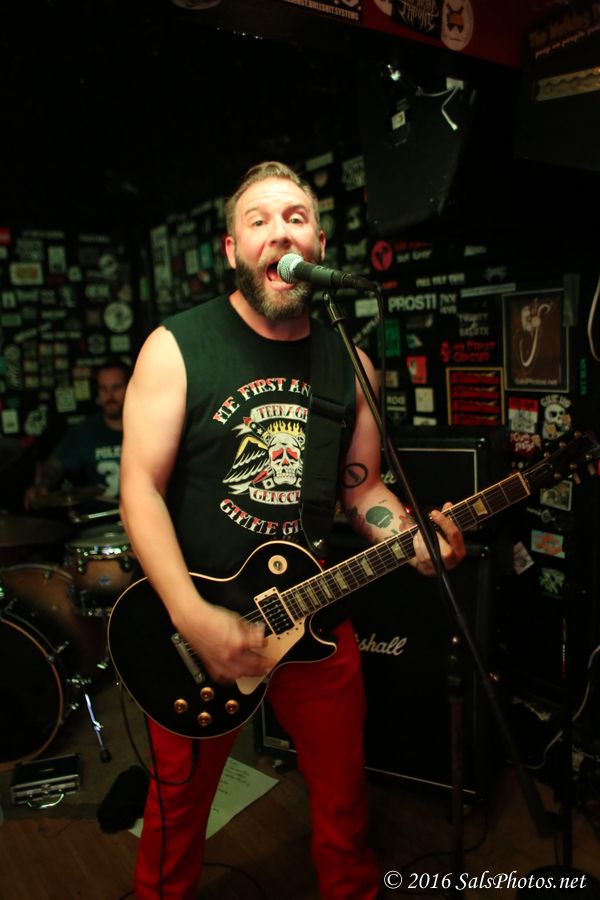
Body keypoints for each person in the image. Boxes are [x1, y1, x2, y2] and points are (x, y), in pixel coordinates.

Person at [119, 161, 466, 900]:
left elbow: (362, 488)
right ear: (232, 250)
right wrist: (191, 614)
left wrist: (411, 538)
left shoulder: (351, 363)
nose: (280, 232)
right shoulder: (177, 346)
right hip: (197, 623)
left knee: (343, 803)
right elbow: (139, 490)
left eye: (296, 217)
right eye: (259, 221)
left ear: (319, 243)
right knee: (177, 812)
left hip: (315, 614)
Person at [24, 359, 130, 511]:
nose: (110, 396)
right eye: (103, 389)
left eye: (116, 387)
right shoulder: (84, 432)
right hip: (100, 517)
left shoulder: (147, 428)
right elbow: (54, 466)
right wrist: (43, 485)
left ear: (130, 387)